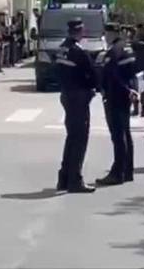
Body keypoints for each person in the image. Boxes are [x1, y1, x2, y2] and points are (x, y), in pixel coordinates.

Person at [55, 18, 98, 193]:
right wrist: (93, 87)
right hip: (79, 96)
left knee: (71, 137)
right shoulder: (78, 52)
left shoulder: (61, 49)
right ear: (80, 31)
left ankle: (64, 177)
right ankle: (75, 179)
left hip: (66, 94)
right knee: (79, 139)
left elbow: (55, 71)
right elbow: (92, 73)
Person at [95, 23, 138, 186]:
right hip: (125, 96)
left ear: (112, 33)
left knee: (118, 136)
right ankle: (127, 170)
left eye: (106, 33)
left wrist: (115, 91)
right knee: (125, 133)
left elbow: (113, 76)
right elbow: (132, 73)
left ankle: (117, 172)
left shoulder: (114, 51)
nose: (105, 36)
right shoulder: (127, 48)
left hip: (116, 96)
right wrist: (132, 91)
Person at [131, 25, 144, 117]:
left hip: (142, 70)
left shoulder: (141, 44)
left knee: (141, 90)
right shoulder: (141, 44)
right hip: (142, 70)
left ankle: (140, 110)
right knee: (140, 90)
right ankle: (139, 109)